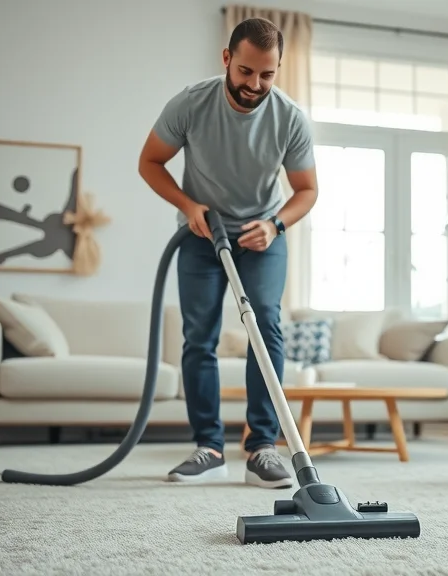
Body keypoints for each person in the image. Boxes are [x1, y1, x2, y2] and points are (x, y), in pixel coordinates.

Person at [137, 17, 317, 488]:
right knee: (200, 337)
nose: (254, 85)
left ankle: (261, 449)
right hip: (201, 237)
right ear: (226, 60)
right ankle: (209, 447)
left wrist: (276, 225)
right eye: (245, 72)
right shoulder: (191, 104)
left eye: (267, 74)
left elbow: (306, 191)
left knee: (266, 331)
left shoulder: (290, 118)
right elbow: (150, 162)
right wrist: (188, 205)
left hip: (261, 238)